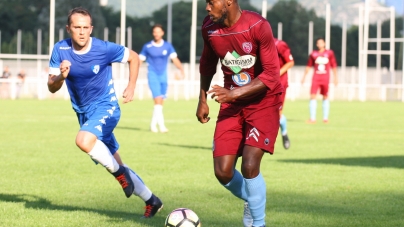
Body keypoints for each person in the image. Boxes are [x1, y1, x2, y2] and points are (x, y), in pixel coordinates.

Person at [47, 7, 163, 218]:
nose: (81, 32)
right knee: (116, 162)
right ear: (68, 28)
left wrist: (131, 85)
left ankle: (121, 176)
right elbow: (51, 86)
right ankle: (152, 200)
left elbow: (134, 57)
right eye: (76, 27)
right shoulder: (60, 49)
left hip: (107, 107)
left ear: (91, 28)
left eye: (85, 27)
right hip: (84, 113)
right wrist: (62, 76)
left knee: (83, 141)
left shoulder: (103, 48)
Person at [196, 1, 283, 227]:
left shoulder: (257, 25)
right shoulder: (209, 28)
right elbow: (207, 65)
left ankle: (258, 223)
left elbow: (273, 75)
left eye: (211, 2)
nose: (207, 7)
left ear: (229, 2)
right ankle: (251, 198)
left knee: (250, 166)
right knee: (222, 172)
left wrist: (234, 94)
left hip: (263, 102)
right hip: (231, 104)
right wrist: (202, 99)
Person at [139, 24, 185, 133]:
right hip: (152, 75)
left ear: (162, 33)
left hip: (163, 76)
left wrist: (181, 70)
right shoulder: (147, 47)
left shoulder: (168, 46)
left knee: (160, 102)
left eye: (158, 31)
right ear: (153, 33)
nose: (156, 34)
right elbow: (139, 60)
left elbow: (175, 59)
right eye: (155, 32)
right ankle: (162, 126)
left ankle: (152, 125)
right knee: (158, 100)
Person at [301, 37, 338, 123]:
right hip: (316, 78)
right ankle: (312, 118)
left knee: (325, 96)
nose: (320, 44)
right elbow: (308, 66)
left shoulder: (329, 53)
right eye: (318, 43)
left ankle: (325, 118)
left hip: (325, 78)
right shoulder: (313, 54)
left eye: (321, 43)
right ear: (316, 44)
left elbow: (334, 66)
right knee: (313, 96)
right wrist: (303, 77)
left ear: (324, 43)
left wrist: (336, 78)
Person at [274, 38, 294, 149]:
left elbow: (290, 62)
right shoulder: (254, 44)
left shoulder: (279, 44)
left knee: (277, 113)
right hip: (261, 84)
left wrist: (276, 74)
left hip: (279, 84)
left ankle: (284, 133)